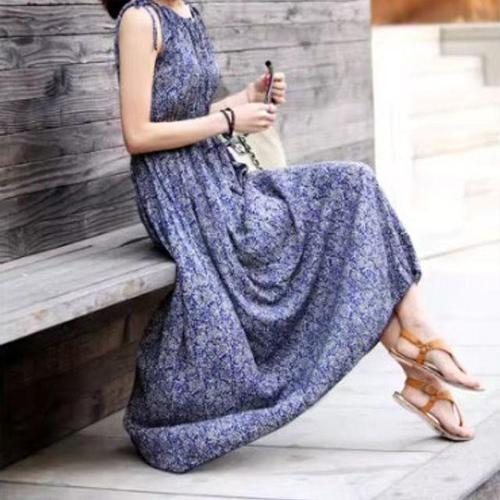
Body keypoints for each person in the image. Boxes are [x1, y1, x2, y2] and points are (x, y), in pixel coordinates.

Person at [104, 0, 485, 473]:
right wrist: (229, 122)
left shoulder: (187, 12)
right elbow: (138, 134)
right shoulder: (141, 18)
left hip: (218, 177)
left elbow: (184, 111)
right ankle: (420, 361)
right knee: (337, 209)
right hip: (180, 196)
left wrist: (246, 96)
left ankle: (418, 342)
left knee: (352, 184)